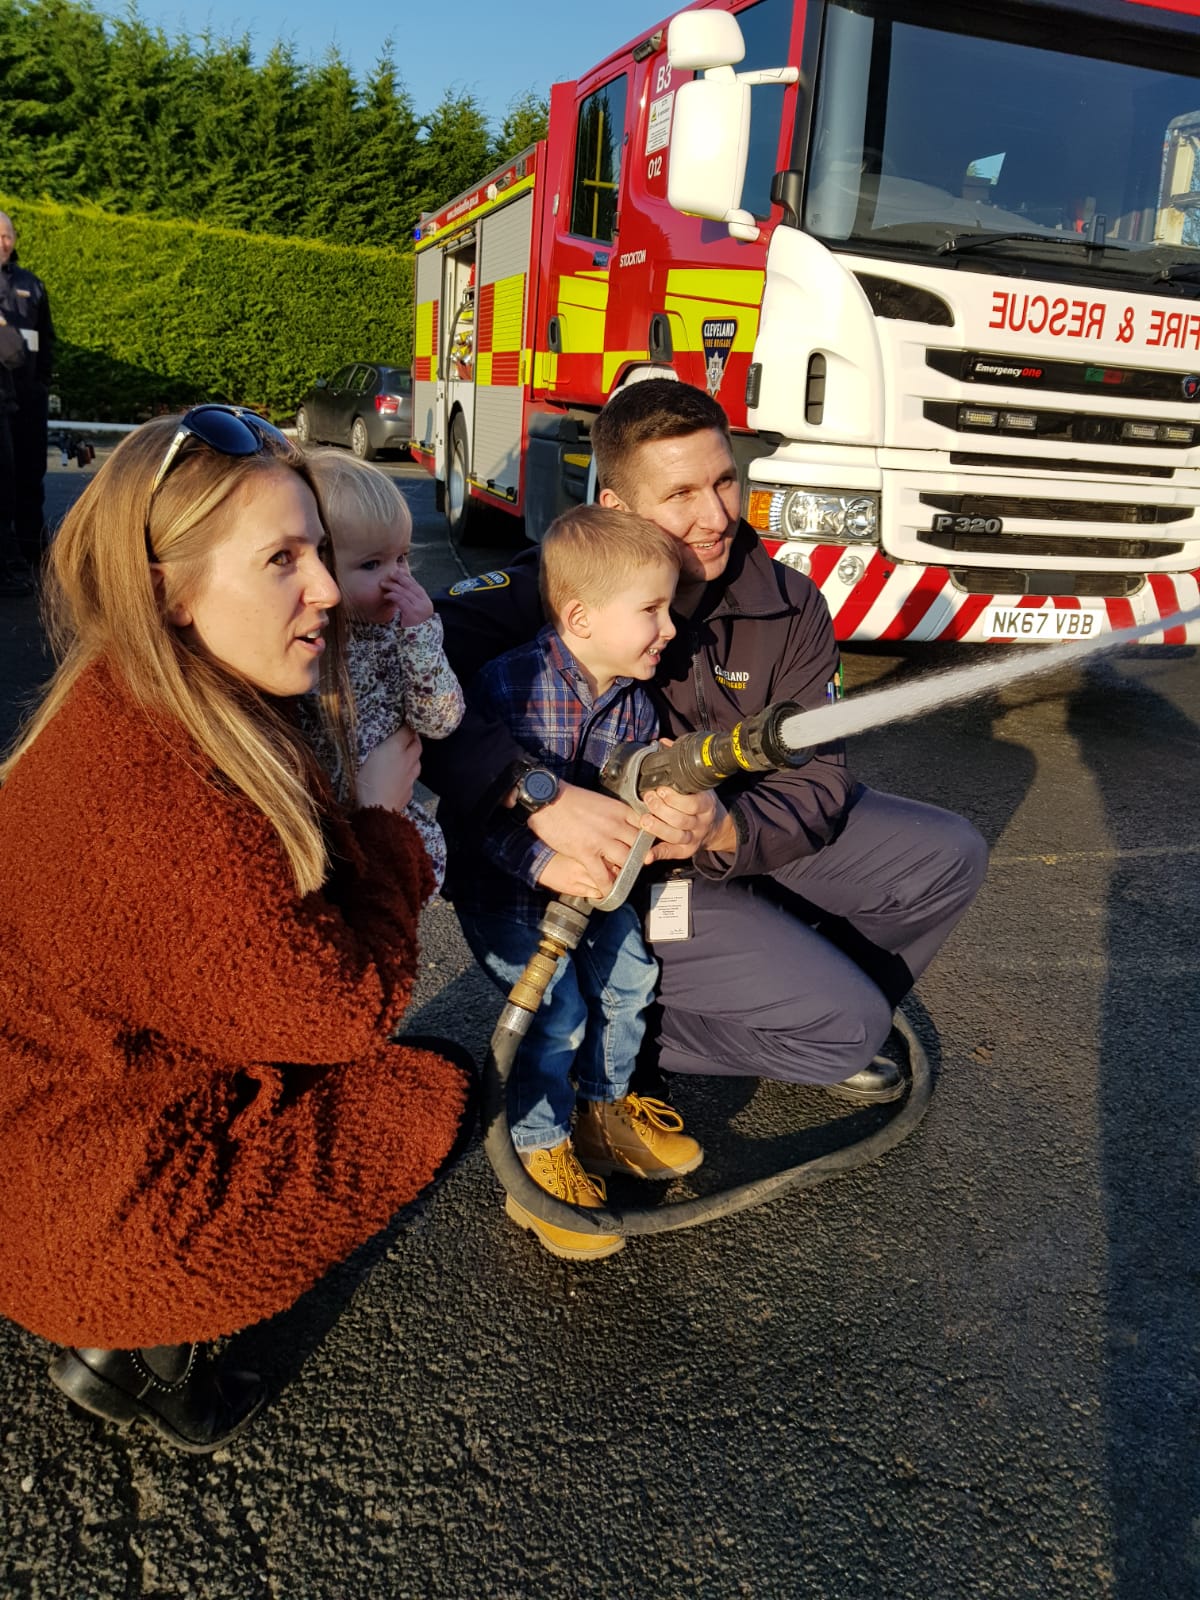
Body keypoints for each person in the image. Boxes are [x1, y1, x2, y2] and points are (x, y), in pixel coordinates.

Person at [0, 406, 476, 1455]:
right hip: (81, 1216)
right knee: (433, 1087)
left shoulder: (125, 699)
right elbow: (348, 1008)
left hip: (46, 1144)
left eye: (320, 551)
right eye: (281, 560)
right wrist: (386, 821)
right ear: (170, 589)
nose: (322, 590)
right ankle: (149, 1352)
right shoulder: (172, 796)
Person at [426, 379, 987, 1115]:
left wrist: (727, 829)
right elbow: (414, 693)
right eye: (680, 495)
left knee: (945, 854)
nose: (716, 516)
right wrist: (534, 791)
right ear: (616, 509)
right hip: (621, 882)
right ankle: (617, 1048)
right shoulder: (555, 589)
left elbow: (819, 780)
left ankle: (796, 1013)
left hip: (727, 844)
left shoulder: (789, 604)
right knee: (850, 1029)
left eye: (725, 481)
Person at [446, 505, 702, 1261]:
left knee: (630, 978)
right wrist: (541, 860)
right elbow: (472, 811)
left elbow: (626, 803)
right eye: (652, 611)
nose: (669, 630)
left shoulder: (635, 699)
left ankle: (601, 1115)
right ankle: (537, 1151)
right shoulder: (510, 687)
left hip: (594, 893)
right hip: (510, 894)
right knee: (553, 1012)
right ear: (581, 616)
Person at [300, 449, 464, 899]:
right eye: (372, 565)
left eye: (403, 559)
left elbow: (441, 720)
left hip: (392, 824)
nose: (397, 579)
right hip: (320, 833)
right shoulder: (301, 641)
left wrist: (422, 638)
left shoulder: (405, 632)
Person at [0, 211, 54, 577]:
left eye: (7, 236)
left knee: (31, 469)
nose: (3, 243)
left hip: (28, 396)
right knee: (3, 473)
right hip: (0, 400)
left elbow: (46, 340)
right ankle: (6, 551)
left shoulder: (31, 285)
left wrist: (42, 384)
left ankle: (32, 546)